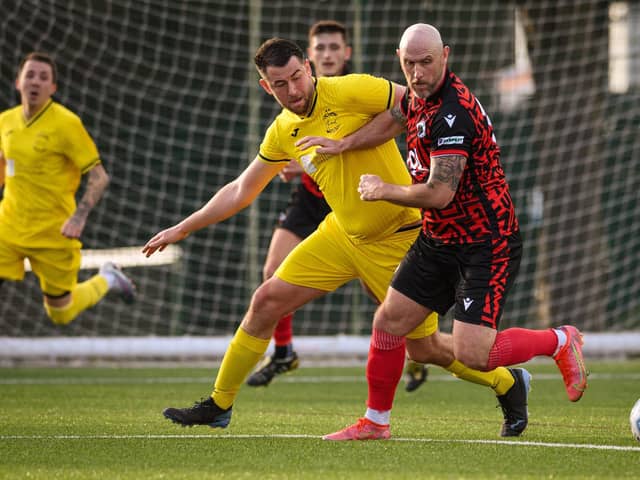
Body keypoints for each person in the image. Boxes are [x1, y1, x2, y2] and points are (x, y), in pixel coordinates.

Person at [143, 37, 530, 438]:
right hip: (342, 235)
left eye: (297, 77)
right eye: (280, 84)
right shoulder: (282, 131)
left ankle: (507, 382)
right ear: (266, 87)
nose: (293, 90)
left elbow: (410, 106)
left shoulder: (349, 88)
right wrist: (182, 228)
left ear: (309, 68)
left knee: (425, 349)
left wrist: (352, 144)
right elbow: (241, 189)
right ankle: (219, 404)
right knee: (265, 299)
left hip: (397, 238)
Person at [296, 24, 588, 441]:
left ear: (445, 56)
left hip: (486, 241)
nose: (416, 73)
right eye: (409, 63)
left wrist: (384, 190)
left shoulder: (455, 112)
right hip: (439, 240)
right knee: (389, 323)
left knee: (475, 353)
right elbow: (395, 118)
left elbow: (440, 193)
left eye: (426, 62)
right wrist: (344, 145)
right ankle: (376, 423)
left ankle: (559, 340)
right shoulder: (417, 95)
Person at [246, 20, 429, 393]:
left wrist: (338, 147)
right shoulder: (290, 98)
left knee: (384, 297)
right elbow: (286, 151)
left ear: (344, 54)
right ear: (310, 54)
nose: (327, 54)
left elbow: (403, 109)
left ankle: (415, 352)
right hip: (317, 198)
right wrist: (292, 165)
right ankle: (282, 351)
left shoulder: (352, 89)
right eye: (320, 48)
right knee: (272, 271)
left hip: (365, 201)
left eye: (334, 48)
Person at [0, 52, 135, 326]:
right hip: (8, 228)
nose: (35, 81)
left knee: (60, 313)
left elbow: (99, 177)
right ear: (18, 82)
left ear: (53, 88)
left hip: (54, 232)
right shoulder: (5, 121)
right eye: (30, 75)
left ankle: (107, 278)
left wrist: (78, 216)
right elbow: (5, 164)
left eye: (43, 77)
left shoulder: (66, 124)